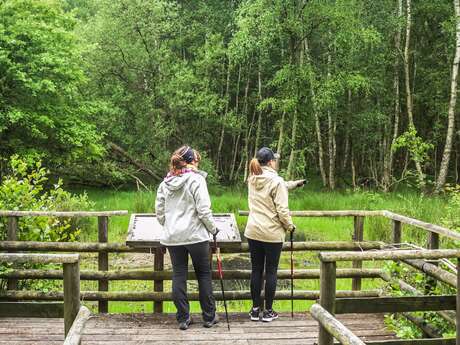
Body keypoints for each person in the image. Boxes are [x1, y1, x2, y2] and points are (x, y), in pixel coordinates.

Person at [155, 145, 219, 330]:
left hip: (174, 237)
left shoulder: (165, 183)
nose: (198, 164)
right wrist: (213, 229)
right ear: (192, 162)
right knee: (204, 274)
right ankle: (209, 317)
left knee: (179, 274)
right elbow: (204, 210)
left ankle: (183, 318)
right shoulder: (197, 180)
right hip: (196, 236)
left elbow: (159, 212)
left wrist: (169, 225)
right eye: (197, 161)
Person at [244, 147, 304, 322]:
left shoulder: (252, 178)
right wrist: (290, 226)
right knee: (271, 271)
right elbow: (282, 210)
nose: (276, 162)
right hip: (271, 233)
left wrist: (293, 184)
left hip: (253, 231)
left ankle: (255, 310)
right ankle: (268, 311)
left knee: (256, 270)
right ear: (271, 162)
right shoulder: (276, 181)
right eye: (275, 160)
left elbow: (277, 187)